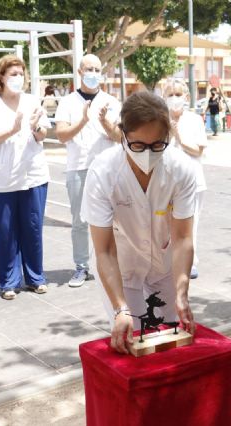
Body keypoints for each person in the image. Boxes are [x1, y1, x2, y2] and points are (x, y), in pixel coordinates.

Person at [80, 91, 196, 354]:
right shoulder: (103, 172)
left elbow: (182, 238)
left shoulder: (181, 169)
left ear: (167, 138)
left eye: (157, 146)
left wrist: (181, 291)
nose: (147, 154)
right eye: (137, 146)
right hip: (121, 265)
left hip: (165, 262)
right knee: (132, 338)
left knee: (169, 338)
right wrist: (120, 308)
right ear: (122, 136)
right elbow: (104, 250)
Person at [0, 54, 52, 300]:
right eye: (13, 74)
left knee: (32, 229)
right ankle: (8, 281)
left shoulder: (32, 101)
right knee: (5, 232)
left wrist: (34, 127)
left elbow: (43, 134)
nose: (18, 78)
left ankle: (35, 277)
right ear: (1, 78)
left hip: (32, 176)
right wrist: (13, 129)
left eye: (21, 74)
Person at [55, 54, 121, 288]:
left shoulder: (111, 101)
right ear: (80, 72)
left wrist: (104, 123)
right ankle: (82, 266)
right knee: (80, 221)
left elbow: (120, 136)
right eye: (88, 69)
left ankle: (114, 262)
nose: (92, 73)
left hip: (108, 169)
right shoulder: (67, 102)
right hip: (78, 168)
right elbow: (61, 135)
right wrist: (83, 121)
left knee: (115, 219)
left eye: (96, 69)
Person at [162, 78, 207, 280]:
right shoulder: (158, 120)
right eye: (170, 94)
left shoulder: (194, 120)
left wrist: (178, 136)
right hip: (166, 183)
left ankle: (190, 261)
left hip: (193, 182)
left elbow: (197, 150)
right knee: (165, 225)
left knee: (191, 223)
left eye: (178, 94)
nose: (174, 99)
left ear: (187, 97)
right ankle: (168, 260)